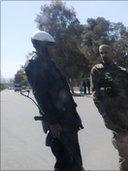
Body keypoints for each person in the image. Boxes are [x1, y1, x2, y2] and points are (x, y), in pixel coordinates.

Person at [25, 30, 84, 171]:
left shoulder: (48, 63)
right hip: (58, 121)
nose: (53, 49)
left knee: (74, 158)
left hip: (67, 118)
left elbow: (63, 92)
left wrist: (75, 116)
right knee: (64, 161)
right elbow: (41, 95)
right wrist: (52, 122)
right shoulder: (34, 64)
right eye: (50, 46)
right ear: (42, 45)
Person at [91, 44, 128, 171]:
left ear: (112, 53)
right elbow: (96, 98)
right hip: (116, 121)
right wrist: (105, 117)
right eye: (101, 53)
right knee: (124, 156)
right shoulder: (97, 71)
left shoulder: (122, 71)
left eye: (106, 52)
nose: (104, 55)